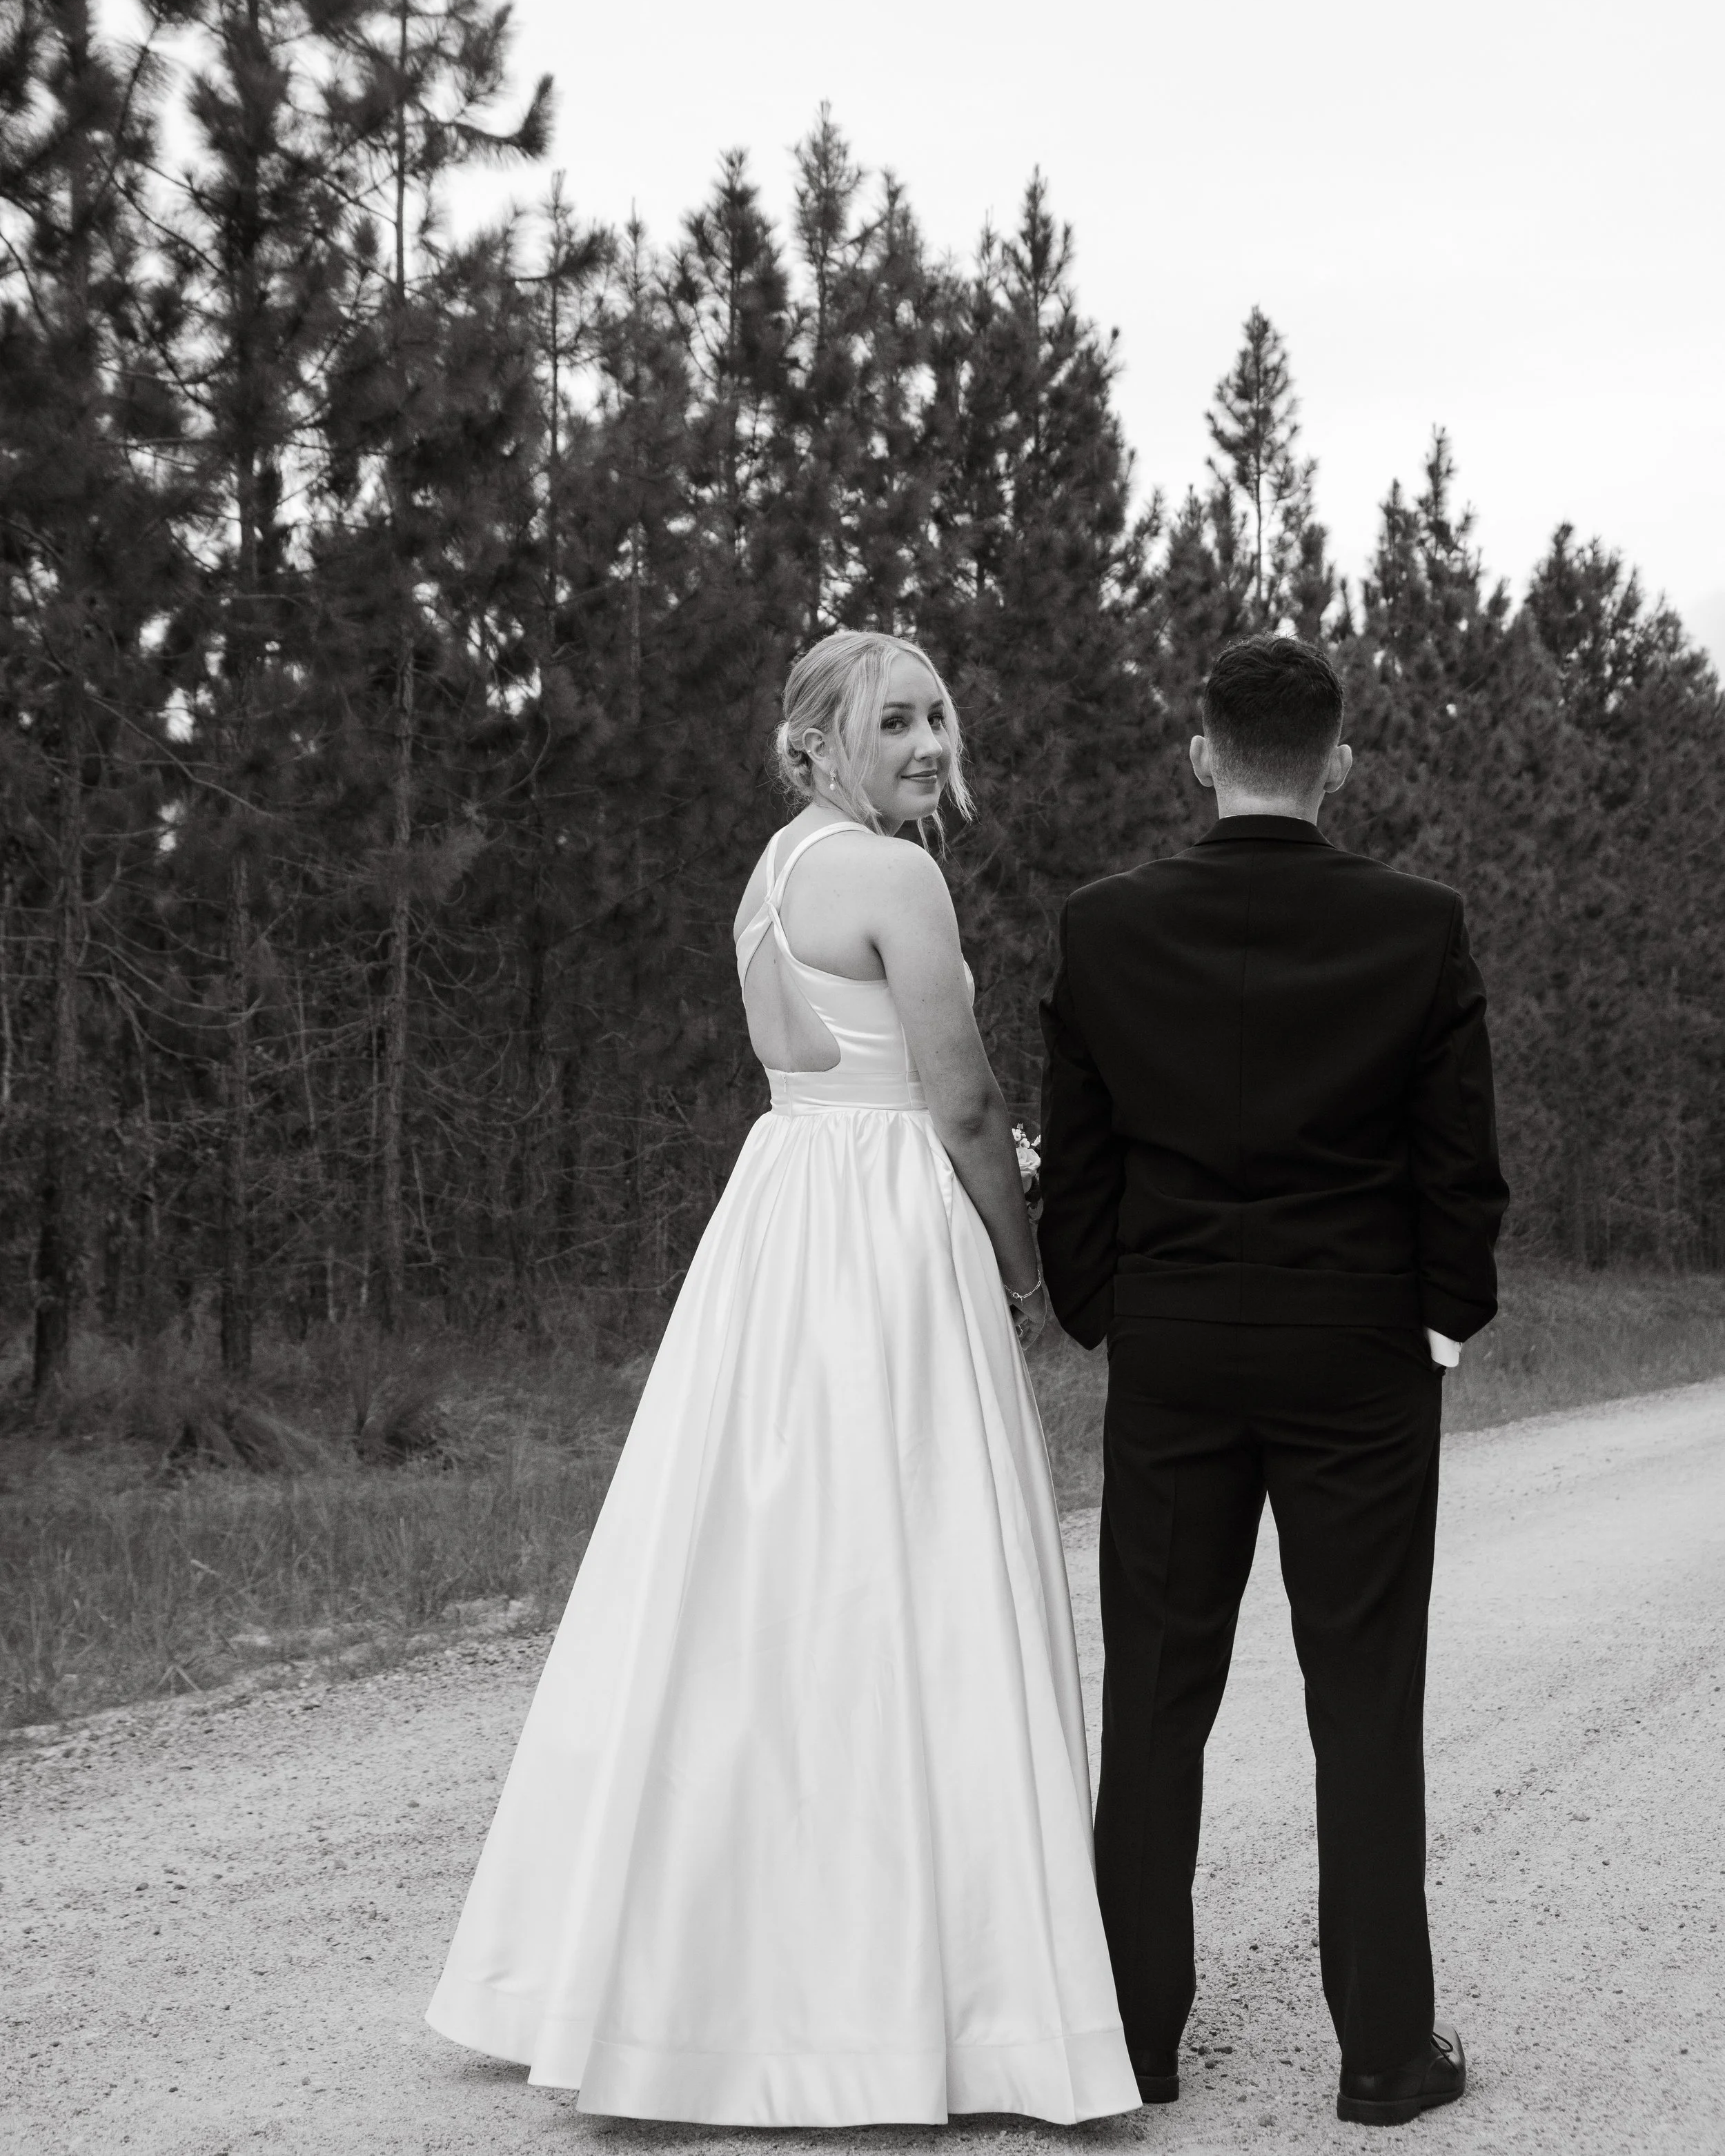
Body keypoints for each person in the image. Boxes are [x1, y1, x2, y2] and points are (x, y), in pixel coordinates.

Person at [426, 628, 1138, 2128]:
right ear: (818, 742)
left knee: (746, 1588)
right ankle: (924, 2003)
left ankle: (686, 1976)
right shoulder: (896, 875)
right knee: (903, 1578)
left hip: (778, 1221)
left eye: (939, 712)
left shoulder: (771, 873)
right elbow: (960, 1096)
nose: (931, 742)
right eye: (895, 721)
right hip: (880, 1233)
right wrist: (1026, 1266)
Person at [1038, 633, 1508, 2128]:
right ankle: (1381, 2056)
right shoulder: (1414, 925)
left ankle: (1131, 2041)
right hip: (1358, 1354)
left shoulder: (1103, 925)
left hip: (1175, 1346)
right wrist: (1437, 1323)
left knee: (1155, 1704)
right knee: (1362, 1698)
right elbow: (1460, 1169)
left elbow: (1082, 1156)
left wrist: (1106, 1305)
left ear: (1198, 752)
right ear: (1339, 763)